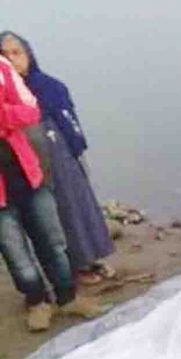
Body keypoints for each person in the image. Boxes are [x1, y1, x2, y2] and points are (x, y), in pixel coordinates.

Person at [0, 31, 116, 287]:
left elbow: (69, 122)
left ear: (29, 55)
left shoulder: (48, 86)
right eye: (5, 55)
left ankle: (92, 258)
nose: (12, 59)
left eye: (17, 53)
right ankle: (75, 268)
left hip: (62, 155)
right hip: (33, 165)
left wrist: (77, 150)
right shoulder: (10, 94)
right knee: (56, 216)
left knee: (80, 205)